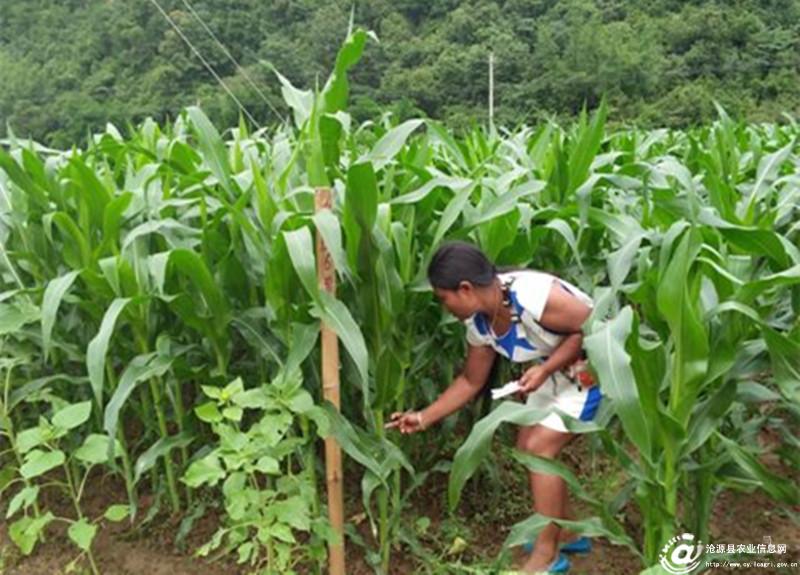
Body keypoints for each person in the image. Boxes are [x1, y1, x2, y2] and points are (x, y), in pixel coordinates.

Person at [386, 241, 602, 574]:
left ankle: (547, 555)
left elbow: (591, 328)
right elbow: (470, 381)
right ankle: (568, 532)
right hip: (551, 376)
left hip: (591, 373)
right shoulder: (480, 324)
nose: (444, 307)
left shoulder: (532, 295)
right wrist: (423, 417)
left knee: (540, 449)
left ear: (466, 288)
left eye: (443, 298)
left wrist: (546, 369)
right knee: (525, 448)